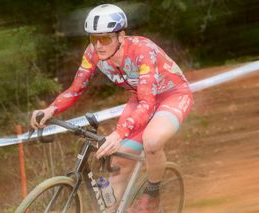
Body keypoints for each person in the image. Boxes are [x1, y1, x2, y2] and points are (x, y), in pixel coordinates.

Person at [31, 3, 193, 213]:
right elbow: (75, 89)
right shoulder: (92, 54)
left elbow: (148, 103)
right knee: (119, 163)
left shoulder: (142, 51)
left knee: (152, 141)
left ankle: (152, 195)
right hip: (141, 98)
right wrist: (52, 109)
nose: (98, 45)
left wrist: (119, 133)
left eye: (105, 38)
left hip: (172, 95)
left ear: (121, 36)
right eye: (93, 38)